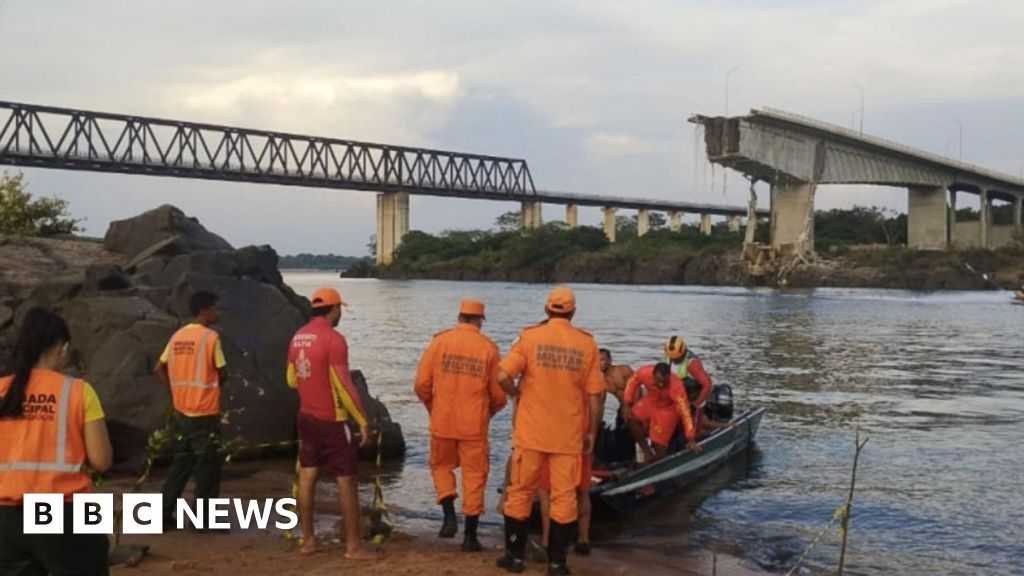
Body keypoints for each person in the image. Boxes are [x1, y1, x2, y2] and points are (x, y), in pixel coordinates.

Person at [495, 286, 605, 576]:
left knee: (519, 493)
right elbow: (595, 396)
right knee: (564, 498)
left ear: (546, 310)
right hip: (568, 437)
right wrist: (591, 433)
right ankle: (558, 564)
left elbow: (502, 375)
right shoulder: (587, 344)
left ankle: (514, 558)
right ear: (573, 311)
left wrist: (515, 392)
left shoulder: (530, 338)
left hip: (531, 434)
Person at [0, 307, 113, 575]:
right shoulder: (77, 391)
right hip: (64, 512)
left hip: (4, 518)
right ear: (63, 348)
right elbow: (101, 461)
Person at [286, 287, 376, 560]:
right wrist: (363, 421)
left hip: (306, 416)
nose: (340, 314)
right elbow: (344, 384)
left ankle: (309, 541)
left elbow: (291, 379)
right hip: (332, 419)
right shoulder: (334, 340)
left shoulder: (298, 336)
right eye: (340, 309)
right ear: (334, 309)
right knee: (346, 480)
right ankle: (354, 546)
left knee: (308, 475)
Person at [414, 299, 506, 552]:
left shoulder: (439, 342)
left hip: (442, 421)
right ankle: (470, 538)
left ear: (460, 317)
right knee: (474, 477)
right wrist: (489, 412)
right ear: (480, 321)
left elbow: (421, 384)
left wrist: (434, 407)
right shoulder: (489, 348)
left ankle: (448, 516)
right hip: (473, 425)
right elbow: (498, 395)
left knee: (441, 466)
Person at [156, 291, 228, 524]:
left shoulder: (178, 336)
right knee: (208, 466)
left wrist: (173, 391)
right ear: (204, 310)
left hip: (181, 409)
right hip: (204, 411)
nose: (219, 312)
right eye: (216, 308)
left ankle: (164, 514)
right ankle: (205, 520)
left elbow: (158, 368)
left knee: (182, 463)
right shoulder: (210, 337)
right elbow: (222, 371)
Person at [623, 363, 700, 462]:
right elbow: (632, 382)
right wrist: (627, 403)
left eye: (664, 382)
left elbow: (685, 413)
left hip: (667, 409)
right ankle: (647, 452)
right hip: (650, 401)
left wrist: (691, 439)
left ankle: (658, 461)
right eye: (658, 381)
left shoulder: (676, 387)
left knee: (658, 444)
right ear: (653, 375)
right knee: (630, 418)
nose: (660, 385)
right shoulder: (644, 372)